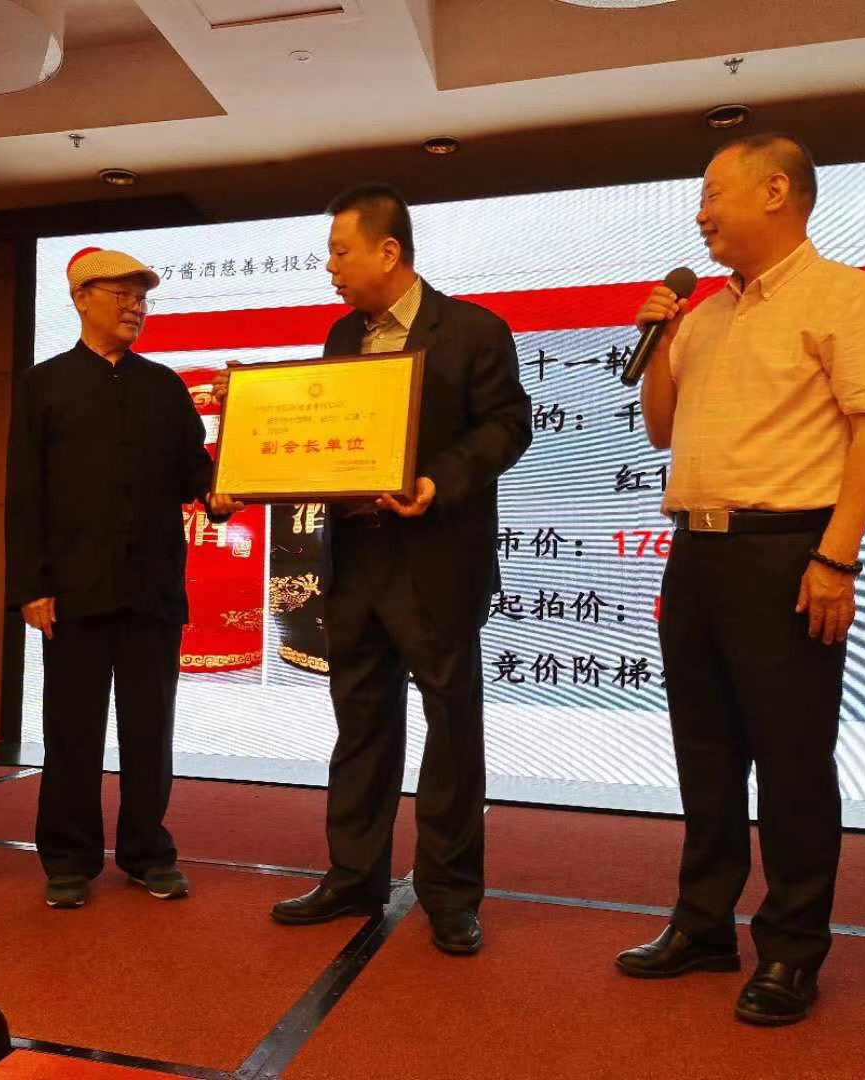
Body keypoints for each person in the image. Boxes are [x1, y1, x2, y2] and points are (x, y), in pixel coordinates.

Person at [614, 134, 865, 1025]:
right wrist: (663, 339)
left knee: (791, 763)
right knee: (705, 757)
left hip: (789, 553)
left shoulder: (853, 299)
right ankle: (703, 924)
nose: (699, 211)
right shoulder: (701, 316)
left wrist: (837, 557)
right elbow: (661, 430)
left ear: (776, 191)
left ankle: (791, 949)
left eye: (712, 192)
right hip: (696, 553)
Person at [226, 184, 531, 954]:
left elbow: (508, 426)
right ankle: (353, 877)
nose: (329, 267)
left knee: (451, 729)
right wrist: (252, 453)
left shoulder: (472, 330)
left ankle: (450, 894)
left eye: (340, 251)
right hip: (356, 559)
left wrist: (436, 482)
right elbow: (323, 438)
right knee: (359, 723)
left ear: (388, 252)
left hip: (437, 559)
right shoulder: (342, 336)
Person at [7, 247, 240, 909]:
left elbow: (196, 475)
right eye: (122, 295)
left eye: (142, 298)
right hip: (72, 592)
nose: (135, 308)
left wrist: (226, 475)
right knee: (71, 733)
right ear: (81, 298)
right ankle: (68, 860)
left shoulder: (164, 387)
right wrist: (30, 586)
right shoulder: (43, 384)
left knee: (149, 731)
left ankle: (146, 852)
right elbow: (24, 493)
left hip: (152, 589)